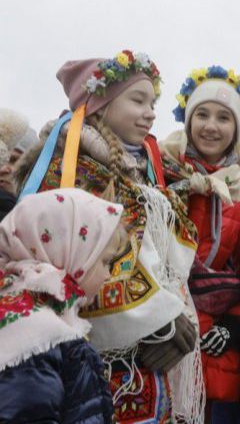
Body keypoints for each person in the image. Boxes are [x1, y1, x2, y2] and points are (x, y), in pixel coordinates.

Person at [15, 51, 203, 423]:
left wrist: (176, 314)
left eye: (153, 103)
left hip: (146, 370)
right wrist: (158, 320)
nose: (150, 113)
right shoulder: (66, 172)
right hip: (92, 364)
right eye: (137, 100)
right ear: (99, 104)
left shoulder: (142, 174)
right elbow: (68, 264)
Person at [162, 65, 240, 422]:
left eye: (223, 118)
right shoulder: (158, 171)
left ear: (236, 129)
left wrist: (234, 324)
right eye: (202, 114)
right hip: (154, 326)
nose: (211, 126)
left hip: (207, 340)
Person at [0, 188, 128, 423]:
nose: (109, 275)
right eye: (105, 261)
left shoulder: (31, 312)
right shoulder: (34, 336)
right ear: (70, 252)